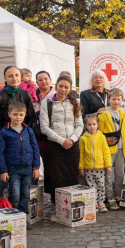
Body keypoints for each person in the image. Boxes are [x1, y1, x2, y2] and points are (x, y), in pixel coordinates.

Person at [41, 74, 83, 214]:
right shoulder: (46, 103)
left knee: (71, 176)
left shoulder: (74, 103)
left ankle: (70, 207)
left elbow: (79, 124)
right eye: (60, 86)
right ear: (56, 86)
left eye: (66, 87)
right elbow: (44, 127)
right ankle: (57, 207)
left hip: (72, 145)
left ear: (70, 88)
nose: (63, 90)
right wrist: (61, 140)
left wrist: (72, 139)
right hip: (55, 146)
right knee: (56, 177)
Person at [0, 101, 40, 214]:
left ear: (24, 115)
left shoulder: (28, 131)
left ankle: (23, 218)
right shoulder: (4, 132)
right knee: (15, 194)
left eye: (21, 114)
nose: (18, 117)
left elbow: (35, 149)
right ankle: (14, 217)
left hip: (28, 168)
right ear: (9, 114)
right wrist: (3, 170)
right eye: (15, 114)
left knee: (25, 194)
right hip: (13, 168)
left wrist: (36, 167)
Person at [98, 88, 125, 210]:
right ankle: (109, 197)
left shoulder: (123, 114)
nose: (116, 102)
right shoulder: (103, 114)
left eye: (118, 99)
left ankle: (118, 194)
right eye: (113, 99)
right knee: (107, 174)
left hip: (121, 148)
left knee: (119, 173)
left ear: (122, 100)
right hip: (108, 149)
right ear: (109, 100)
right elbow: (99, 133)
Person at [79, 114, 112, 212]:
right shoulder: (83, 138)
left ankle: (101, 203)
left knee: (101, 186)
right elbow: (81, 154)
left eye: (94, 124)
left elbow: (106, 151)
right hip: (89, 168)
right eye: (89, 124)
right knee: (91, 187)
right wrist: (81, 167)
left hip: (100, 168)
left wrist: (108, 165)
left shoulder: (101, 137)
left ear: (97, 125)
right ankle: (94, 204)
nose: (92, 126)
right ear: (86, 126)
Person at [0, 66, 35, 137]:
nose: (14, 78)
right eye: (10, 76)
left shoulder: (25, 94)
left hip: (24, 136)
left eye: (17, 75)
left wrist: (26, 133)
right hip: (6, 137)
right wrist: (2, 138)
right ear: (5, 78)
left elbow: (31, 117)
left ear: (20, 77)